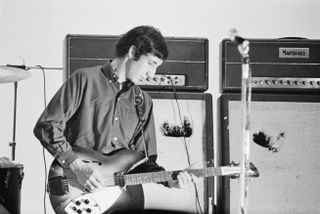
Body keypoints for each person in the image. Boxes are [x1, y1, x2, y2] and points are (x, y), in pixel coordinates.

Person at [33, 25, 194, 212]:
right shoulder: (84, 79)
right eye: (151, 64)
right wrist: (77, 167)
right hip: (78, 191)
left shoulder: (144, 102)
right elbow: (47, 125)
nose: (152, 75)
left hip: (121, 200)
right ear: (133, 52)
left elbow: (144, 162)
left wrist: (170, 180)